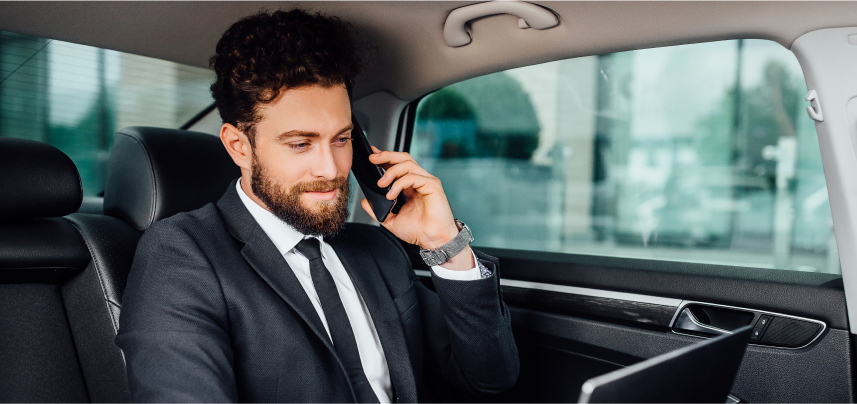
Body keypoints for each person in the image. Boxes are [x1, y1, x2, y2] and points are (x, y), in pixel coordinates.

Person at [115, 9, 519, 403]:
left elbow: (489, 381)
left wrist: (446, 244)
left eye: (342, 139)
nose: (331, 168)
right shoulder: (181, 254)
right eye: (300, 143)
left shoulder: (377, 251)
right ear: (239, 146)